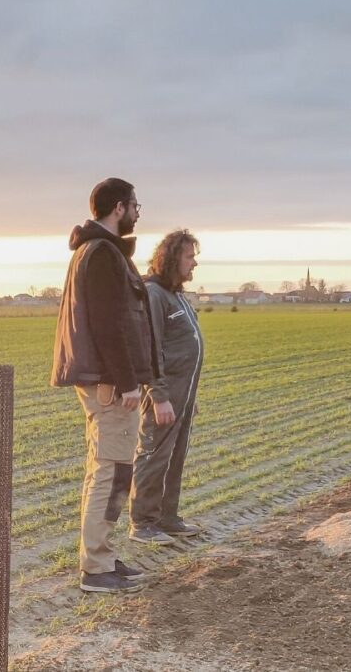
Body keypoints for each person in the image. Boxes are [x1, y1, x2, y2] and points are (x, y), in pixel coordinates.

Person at [51, 177, 157, 594]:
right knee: (112, 472)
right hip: (111, 384)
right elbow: (110, 325)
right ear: (118, 208)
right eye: (135, 206)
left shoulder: (97, 251)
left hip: (107, 381)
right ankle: (96, 568)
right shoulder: (101, 254)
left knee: (107, 469)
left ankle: (103, 556)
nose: (137, 214)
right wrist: (127, 382)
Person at [129, 229, 206, 545]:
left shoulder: (176, 295)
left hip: (181, 396)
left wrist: (189, 396)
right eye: (189, 257)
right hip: (163, 396)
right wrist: (159, 396)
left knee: (175, 456)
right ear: (173, 259)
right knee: (154, 456)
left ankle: (167, 517)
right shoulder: (154, 294)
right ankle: (142, 523)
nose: (194, 264)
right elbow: (150, 348)